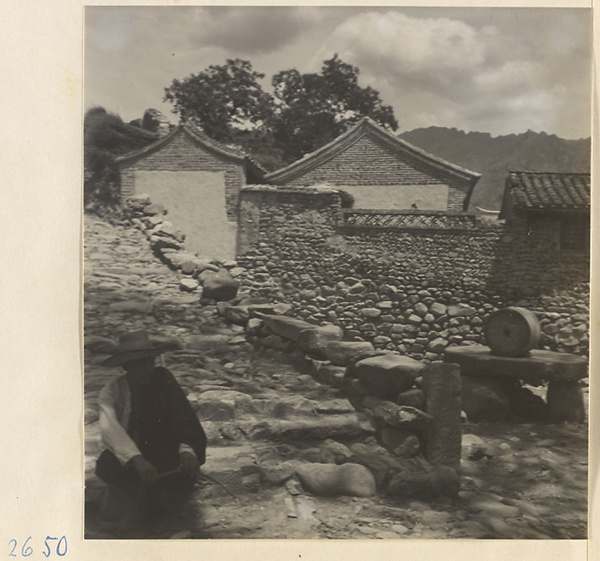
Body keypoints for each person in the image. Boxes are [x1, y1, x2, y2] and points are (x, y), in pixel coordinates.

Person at [95, 330, 207, 520]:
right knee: (108, 467)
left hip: (163, 452)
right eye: (139, 363)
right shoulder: (112, 391)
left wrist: (187, 449)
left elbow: (184, 417)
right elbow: (110, 429)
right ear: (127, 366)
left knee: (183, 472)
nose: (147, 368)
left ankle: (155, 491)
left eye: (149, 361)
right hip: (134, 459)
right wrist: (136, 459)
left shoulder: (163, 380)